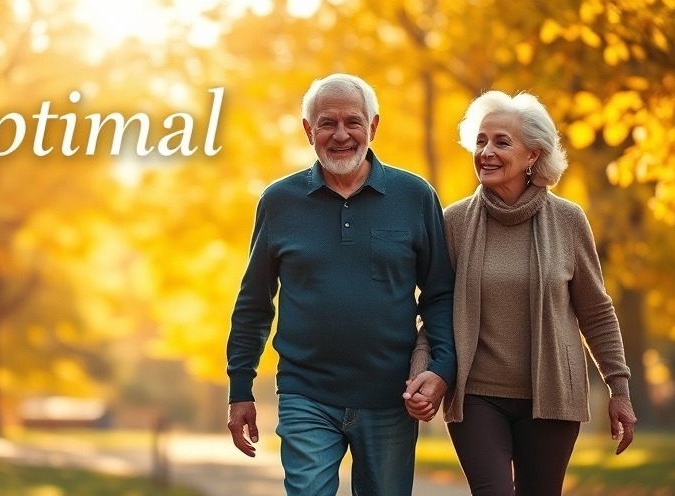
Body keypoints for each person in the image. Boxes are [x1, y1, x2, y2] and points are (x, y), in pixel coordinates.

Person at [225, 73, 457, 496]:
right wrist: (240, 388)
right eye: (327, 123)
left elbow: (440, 295)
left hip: (391, 396)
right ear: (309, 130)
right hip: (305, 393)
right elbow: (255, 303)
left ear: (373, 126)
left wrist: (442, 369)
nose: (341, 134)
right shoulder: (279, 202)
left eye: (353, 121)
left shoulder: (415, 196)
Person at [405, 90, 637, 495]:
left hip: (551, 398)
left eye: (501, 142)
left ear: (533, 155)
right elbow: (437, 308)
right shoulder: (454, 222)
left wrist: (619, 388)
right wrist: (422, 370)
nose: (486, 152)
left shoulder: (568, 221)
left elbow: (596, 312)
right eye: (480, 141)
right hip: (476, 395)